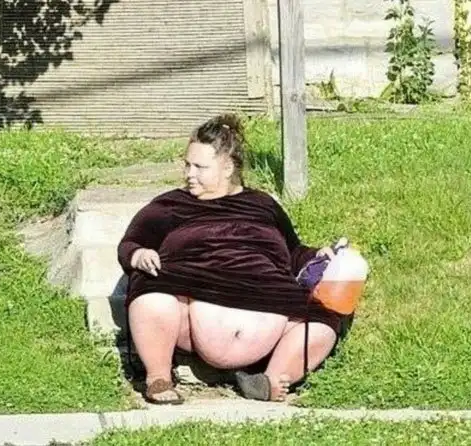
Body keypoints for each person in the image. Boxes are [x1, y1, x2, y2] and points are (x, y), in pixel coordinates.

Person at [117, 114, 355, 405]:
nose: (189, 174)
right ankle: (158, 377)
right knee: (150, 290)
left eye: (200, 167)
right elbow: (130, 244)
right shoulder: (170, 205)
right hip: (196, 290)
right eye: (187, 165)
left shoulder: (263, 205)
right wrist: (139, 255)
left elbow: (293, 251)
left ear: (228, 167)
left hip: (267, 292)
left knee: (322, 321)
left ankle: (270, 380)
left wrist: (317, 255)